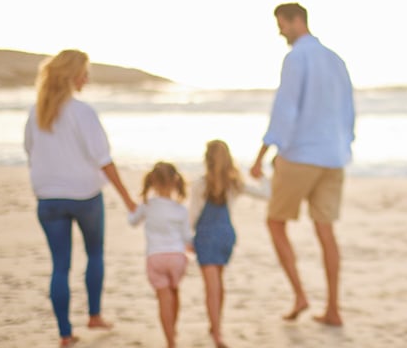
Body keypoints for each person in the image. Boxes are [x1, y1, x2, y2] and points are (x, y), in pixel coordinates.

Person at [250, 2, 355, 327]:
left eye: (281, 24)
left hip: (301, 155)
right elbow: (348, 111)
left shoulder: (296, 57)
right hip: (334, 157)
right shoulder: (336, 59)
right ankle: (333, 309)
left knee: (276, 222)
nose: (280, 31)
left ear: (296, 21)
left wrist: (261, 157)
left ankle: (299, 295)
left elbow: (286, 109)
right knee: (326, 230)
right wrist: (344, 145)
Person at [24, 49, 137, 347]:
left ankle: (64, 333)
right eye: (85, 73)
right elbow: (104, 160)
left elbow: (30, 152)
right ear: (73, 76)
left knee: (60, 266)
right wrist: (128, 199)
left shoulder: (36, 111)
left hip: (47, 198)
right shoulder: (82, 112)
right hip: (84, 196)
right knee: (95, 254)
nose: (87, 78)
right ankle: (94, 315)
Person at [128, 162, 194, 348]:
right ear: (175, 182)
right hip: (177, 257)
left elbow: (132, 221)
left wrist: (131, 207)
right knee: (175, 292)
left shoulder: (147, 206)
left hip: (155, 256)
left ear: (152, 181)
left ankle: (170, 340)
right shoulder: (180, 209)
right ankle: (173, 329)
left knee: (163, 298)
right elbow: (187, 237)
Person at [189, 140, 246, 348]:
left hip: (206, 237)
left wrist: (187, 239)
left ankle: (217, 333)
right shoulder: (234, 184)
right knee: (219, 284)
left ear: (207, 159)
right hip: (226, 236)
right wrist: (264, 177)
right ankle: (216, 326)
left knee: (211, 287)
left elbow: (193, 215)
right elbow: (265, 193)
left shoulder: (200, 185)